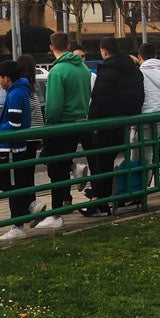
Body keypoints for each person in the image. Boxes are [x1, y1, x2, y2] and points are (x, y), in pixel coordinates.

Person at [31, 32, 92, 229]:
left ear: (51, 48)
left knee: (55, 168)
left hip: (62, 123)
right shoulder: (83, 68)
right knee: (62, 162)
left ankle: (56, 213)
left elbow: (54, 105)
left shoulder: (57, 71)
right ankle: (74, 168)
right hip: (80, 121)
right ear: (69, 45)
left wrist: (49, 125)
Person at [83, 37, 143, 216]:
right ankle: (100, 201)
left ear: (104, 51)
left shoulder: (108, 71)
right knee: (107, 162)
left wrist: (93, 123)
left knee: (102, 164)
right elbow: (139, 96)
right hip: (124, 122)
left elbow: (100, 100)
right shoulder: (133, 70)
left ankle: (99, 201)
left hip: (106, 124)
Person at [0, 60, 35, 241]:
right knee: (10, 184)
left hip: (11, 148)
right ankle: (30, 206)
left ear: (7, 78)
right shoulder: (19, 91)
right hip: (14, 147)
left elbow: (15, 123)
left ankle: (19, 222)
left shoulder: (16, 94)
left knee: (8, 185)